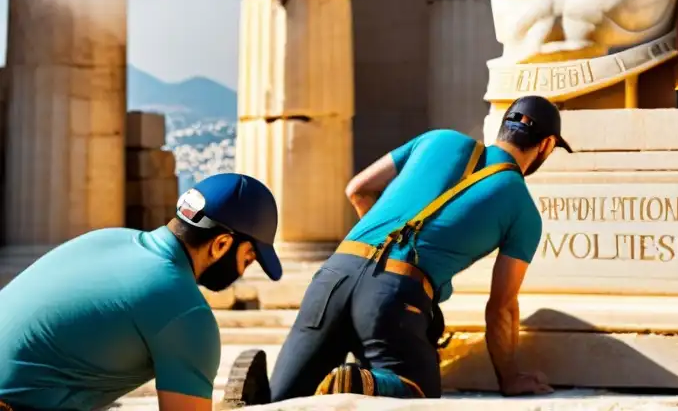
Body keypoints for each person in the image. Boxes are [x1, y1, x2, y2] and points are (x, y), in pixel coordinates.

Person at [267, 95, 570, 401]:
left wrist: (376, 250)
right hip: (395, 292)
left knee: (284, 400)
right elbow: (501, 307)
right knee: (419, 391)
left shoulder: (436, 139)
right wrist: (510, 377)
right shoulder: (522, 208)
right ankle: (357, 385)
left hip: (333, 274)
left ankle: (259, 393)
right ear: (545, 145)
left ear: (503, 128)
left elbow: (358, 189)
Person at [0, 173, 282, 411]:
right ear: (221, 244)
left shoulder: (105, 238)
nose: (243, 272)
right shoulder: (185, 311)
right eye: (248, 259)